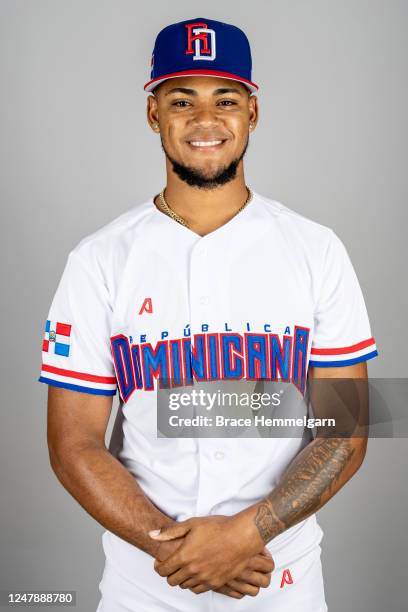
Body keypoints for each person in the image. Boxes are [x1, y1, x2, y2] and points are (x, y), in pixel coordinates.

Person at [38, 16, 379, 611]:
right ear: (153, 115)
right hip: (145, 582)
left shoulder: (316, 249)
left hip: (281, 577)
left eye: (226, 99)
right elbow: (74, 443)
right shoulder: (98, 260)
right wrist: (178, 550)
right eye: (181, 100)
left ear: (252, 113)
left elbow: (344, 430)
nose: (204, 120)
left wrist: (246, 535)